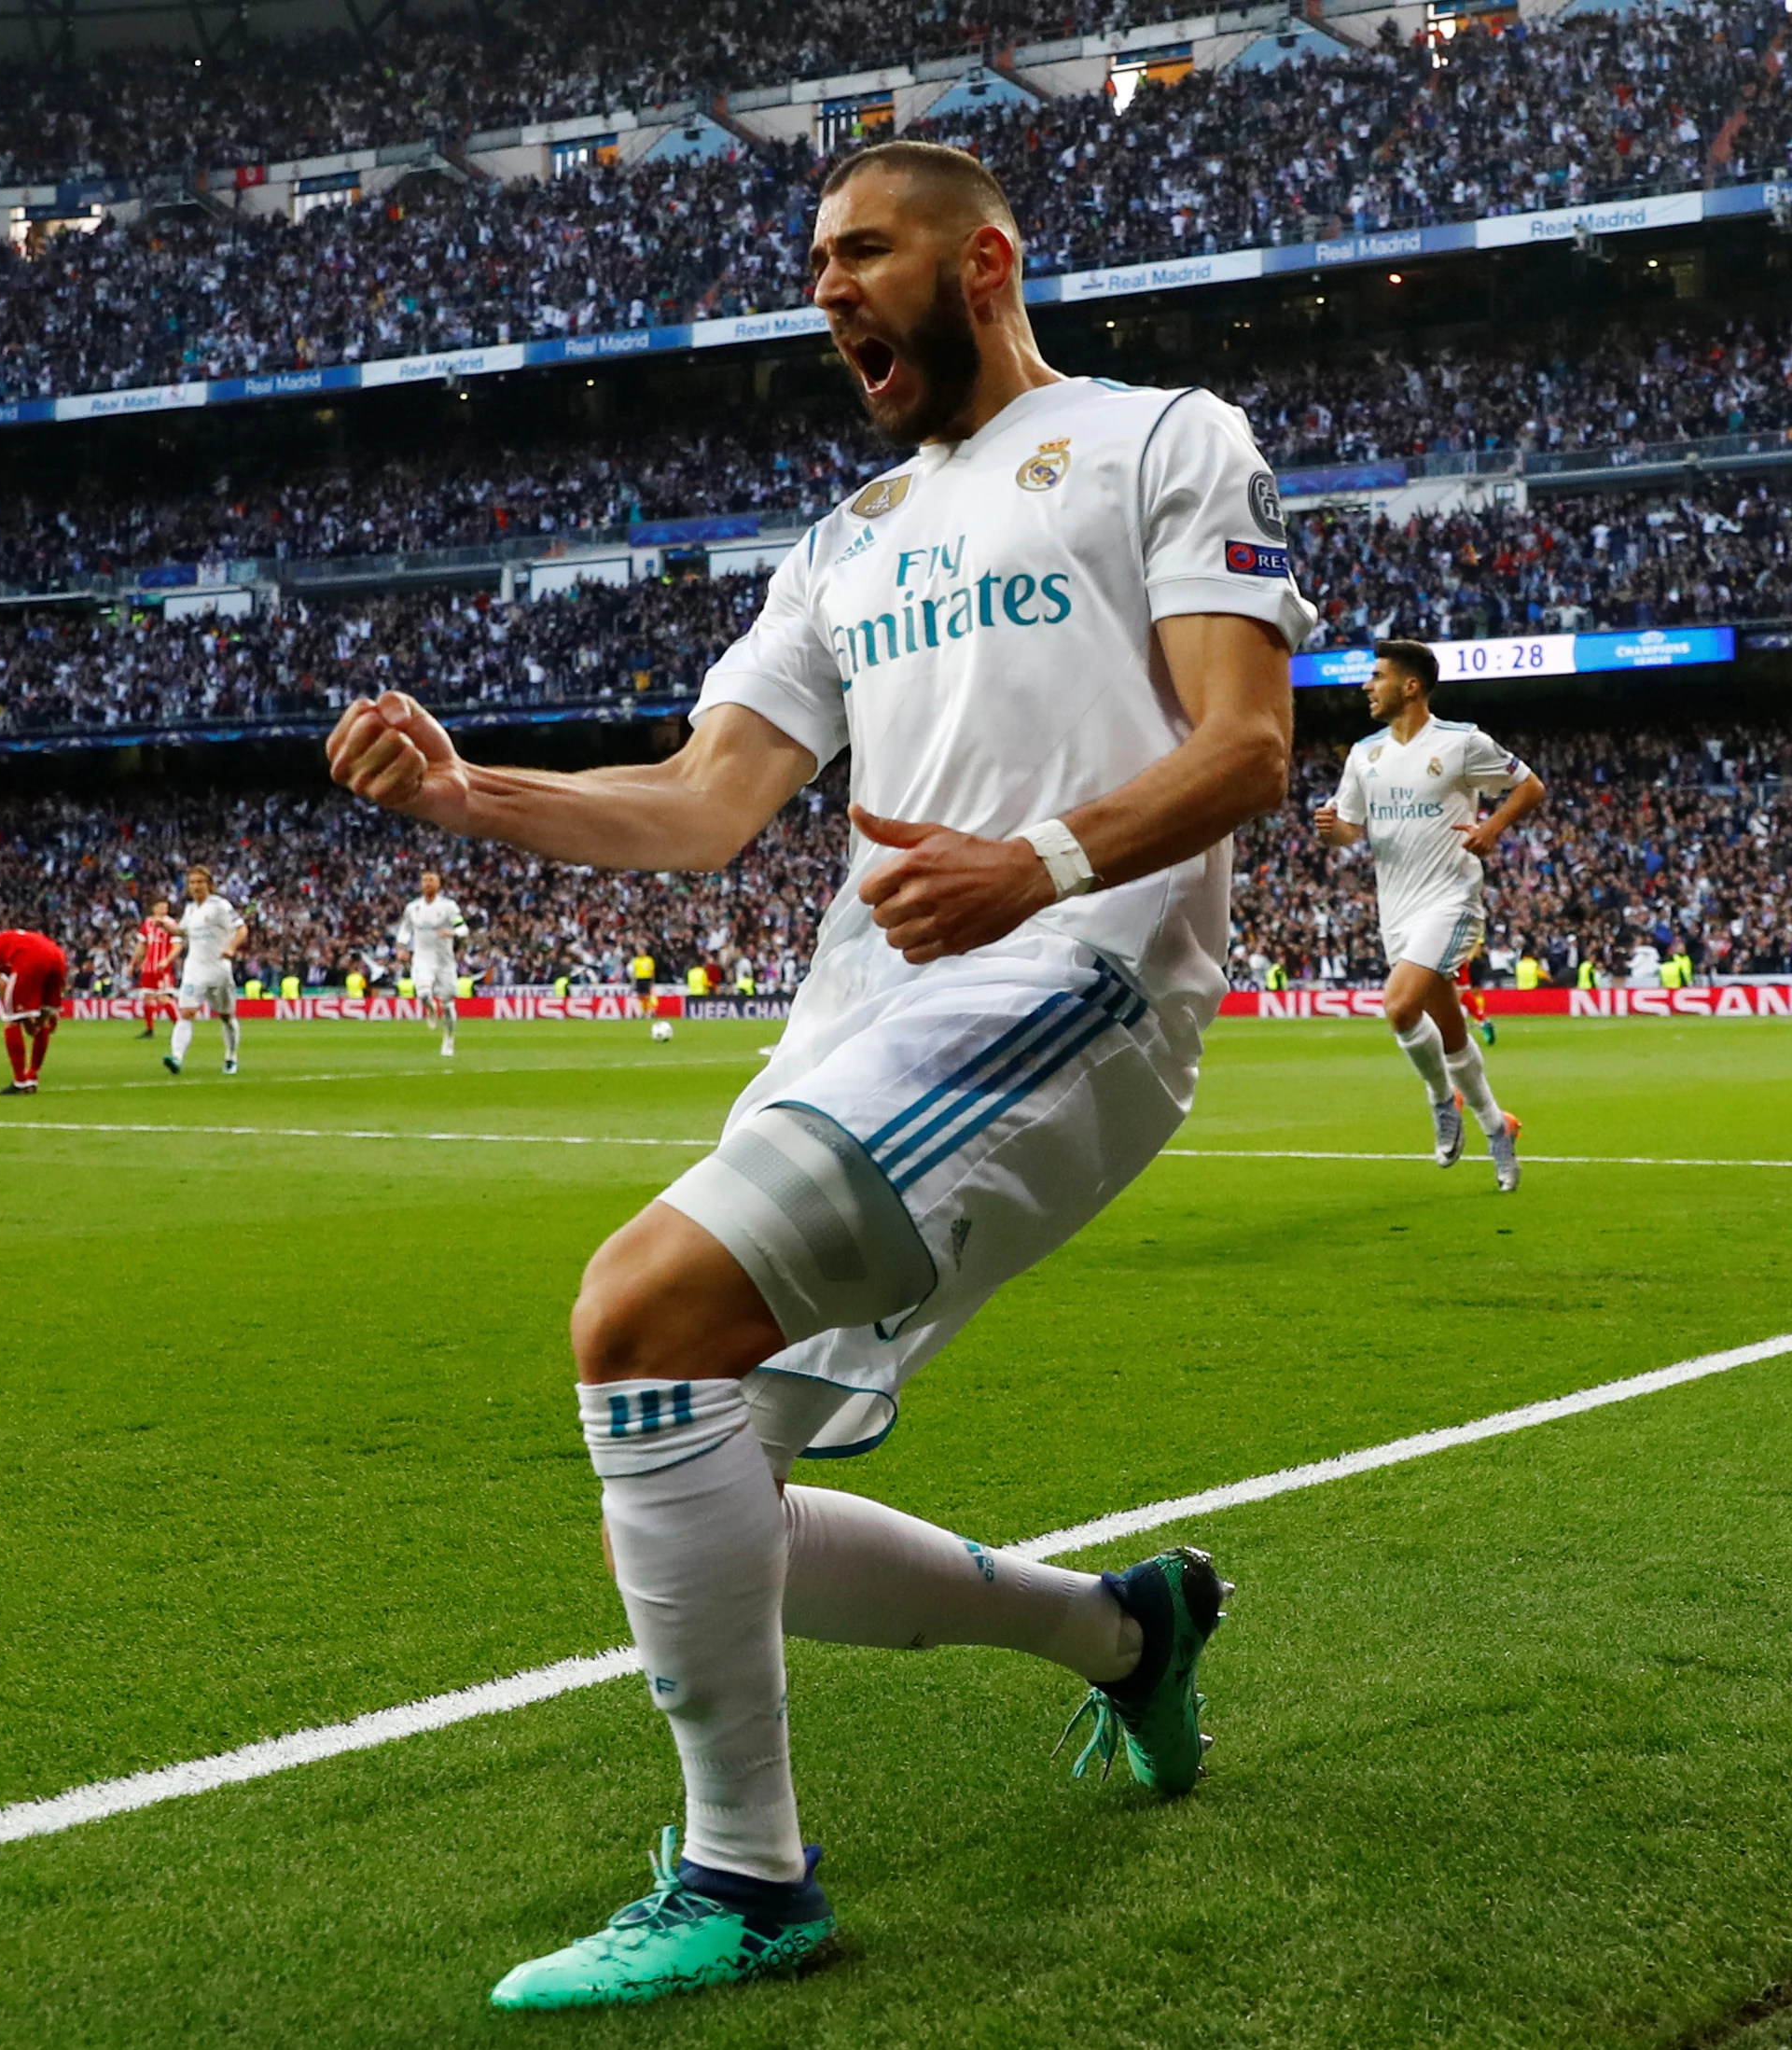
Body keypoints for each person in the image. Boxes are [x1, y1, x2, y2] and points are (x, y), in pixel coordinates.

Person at [323, 138, 1302, 2012]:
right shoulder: (848, 540)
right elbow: (704, 805)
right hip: (873, 1008)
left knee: (637, 1312)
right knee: (707, 1485)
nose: (828, 286)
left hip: (1073, 978)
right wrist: (469, 792)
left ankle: (748, 1878)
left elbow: (1248, 746)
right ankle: (1127, 1632)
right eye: (816, 260)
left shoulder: (1161, 437)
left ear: (985, 263)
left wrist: (1043, 863)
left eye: (864, 250)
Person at [1310, 639, 1545, 1188]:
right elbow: (1350, 829)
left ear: (1410, 686)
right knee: (1450, 1029)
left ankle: (1442, 1099)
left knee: (1397, 1006)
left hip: (1450, 898)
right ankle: (1496, 1126)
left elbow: (1529, 786)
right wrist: (1330, 832)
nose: (1366, 686)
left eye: (1377, 676)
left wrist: (1491, 828)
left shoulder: (1462, 743)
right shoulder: (1364, 755)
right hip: (1397, 908)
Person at [170, 866, 249, 1074]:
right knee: (186, 1013)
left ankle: (231, 1056)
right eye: (192, 882)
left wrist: (231, 947)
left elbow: (242, 929)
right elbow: (182, 931)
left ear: (209, 884)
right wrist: (166, 927)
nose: (196, 886)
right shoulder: (190, 909)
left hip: (218, 969)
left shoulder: (220, 906)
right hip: (194, 968)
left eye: (200, 882)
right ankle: (176, 1058)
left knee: (226, 1016)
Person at [0, 927, 69, 1094]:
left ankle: (20, 1081)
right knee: (39, 1024)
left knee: (11, 1020)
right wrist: (48, 1012)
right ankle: (32, 1077)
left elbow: (1, 984)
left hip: (32, 958)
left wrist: (17, 1012)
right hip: (57, 956)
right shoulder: (8, 943)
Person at [393, 869, 470, 1057]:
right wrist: (401, 949)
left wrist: (451, 933)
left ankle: (449, 1039)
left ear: (439, 884)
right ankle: (430, 1008)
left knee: (448, 1001)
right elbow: (404, 930)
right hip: (422, 958)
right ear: (421, 885)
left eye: (432, 880)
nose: (428, 883)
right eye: (425, 880)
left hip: (444, 960)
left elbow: (464, 929)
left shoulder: (449, 907)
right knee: (424, 993)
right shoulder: (412, 908)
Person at [132, 900, 183, 1041]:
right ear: (154, 908)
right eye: (161, 906)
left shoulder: (171, 924)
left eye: (166, 907)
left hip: (163, 968)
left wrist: (167, 960)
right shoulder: (147, 923)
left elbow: (177, 946)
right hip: (148, 967)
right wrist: (133, 963)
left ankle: (179, 1027)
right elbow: (141, 945)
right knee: (148, 997)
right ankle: (149, 1030)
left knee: (163, 998)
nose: (164, 909)